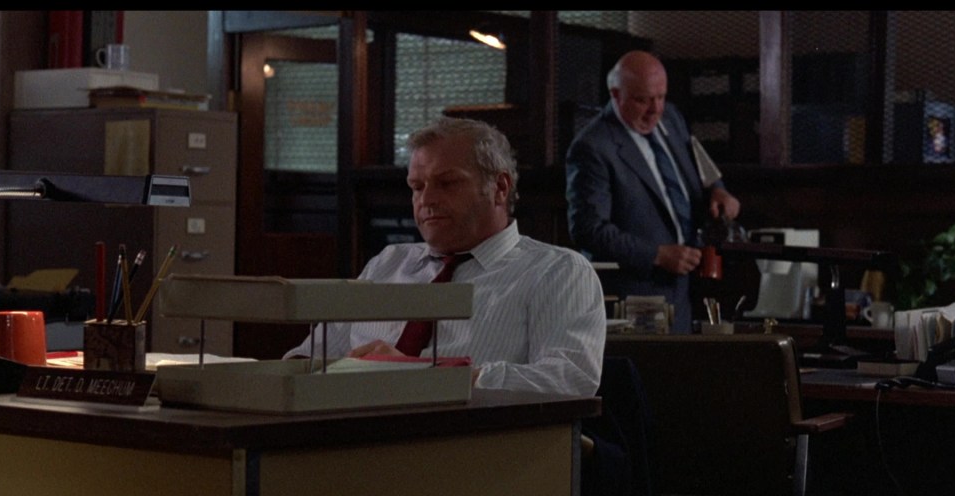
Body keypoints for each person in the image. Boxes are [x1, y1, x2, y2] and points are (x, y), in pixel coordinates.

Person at [285, 116, 606, 397]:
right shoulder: (388, 262)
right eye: (416, 186)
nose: (426, 200)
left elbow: (570, 379)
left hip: (475, 447)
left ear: (500, 187)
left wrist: (423, 376)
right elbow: (310, 357)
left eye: (447, 183)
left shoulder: (557, 271)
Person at [565, 50, 742, 334]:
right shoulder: (593, 147)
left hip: (687, 288)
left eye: (661, 97)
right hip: (637, 295)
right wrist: (656, 255)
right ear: (615, 94)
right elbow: (588, 229)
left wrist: (718, 190)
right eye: (643, 100)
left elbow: (698, 164)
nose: (654, 110)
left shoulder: (670, 117)